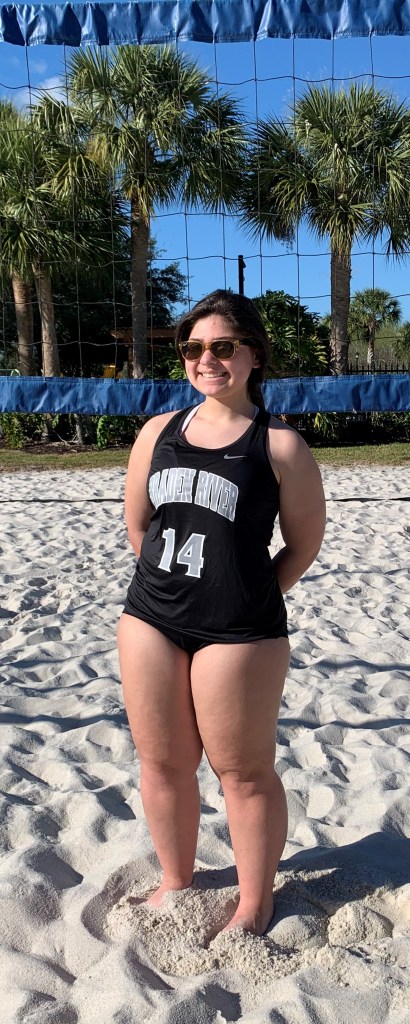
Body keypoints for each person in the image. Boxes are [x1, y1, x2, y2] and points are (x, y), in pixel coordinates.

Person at [117, 289, 326, 936]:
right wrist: (174, 586)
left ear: (253, 354)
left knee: (242, 772)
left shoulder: (280, 445)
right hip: (151, 619)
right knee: (162, 763)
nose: (206, 360)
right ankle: (176, 881)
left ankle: (254, 904)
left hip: (239, 631)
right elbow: (138, 525)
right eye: (193, 348)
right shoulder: (158, 431)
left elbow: (303, 544)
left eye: (222, 346)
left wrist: (246, 593)